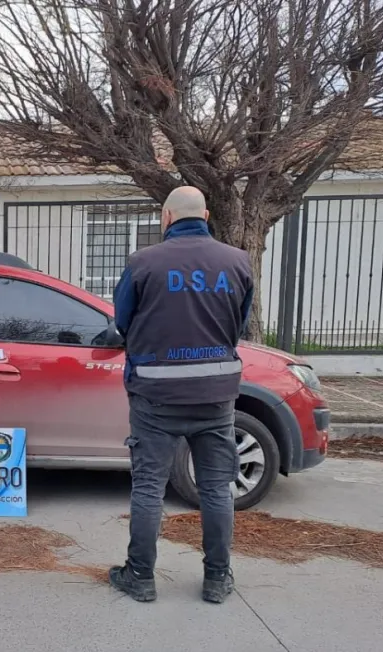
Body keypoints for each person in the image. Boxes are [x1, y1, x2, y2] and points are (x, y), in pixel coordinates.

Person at [108, 186, 254, 603]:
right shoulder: (238, 261)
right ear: (206, 216)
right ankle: (216, 578)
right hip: (215, 397)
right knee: (215, 488)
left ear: (167, 217)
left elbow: (122, 321)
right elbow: (240, 324)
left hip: (155, 396)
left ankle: (140, 576)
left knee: (149, 487)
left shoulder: (142, 262)